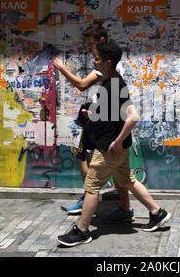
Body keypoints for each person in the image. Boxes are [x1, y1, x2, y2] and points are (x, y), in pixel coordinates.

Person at [57, 40, 171, 247]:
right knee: (127, 180)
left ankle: (82, 230)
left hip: (109, 147)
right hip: (116, 146)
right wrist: (91, 112)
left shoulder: (115, 85)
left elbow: (133, 116)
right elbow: (114, 113)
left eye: (97, 58)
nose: (93, 61)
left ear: (108, 62)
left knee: (92, 186)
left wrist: (117, 141)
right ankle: (157, 213)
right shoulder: (111, 82)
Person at [52, 25, 134, 223]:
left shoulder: (105, 64)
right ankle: (126, 207)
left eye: (92, 45)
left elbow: (81, 85)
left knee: (84, 158)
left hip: (103, 124)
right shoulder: (105, 63)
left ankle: (89, 198)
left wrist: (62, 69)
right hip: (98, 116)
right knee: (120, 172)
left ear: (102, 42)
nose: (89, 49)